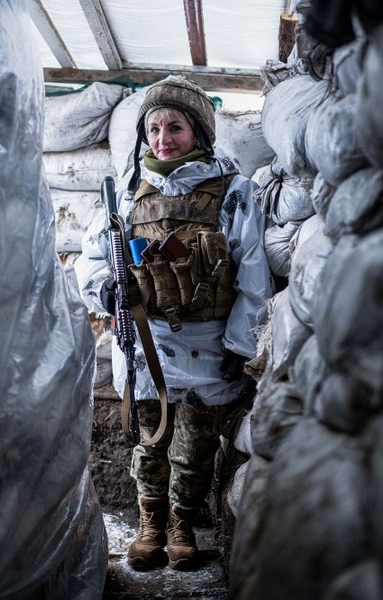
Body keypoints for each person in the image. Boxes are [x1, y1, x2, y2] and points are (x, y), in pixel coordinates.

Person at [77, 76, 273, 571]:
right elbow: (93, 256)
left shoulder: (234, 193)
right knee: (149, 447)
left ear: (200, 134)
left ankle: (182, 526)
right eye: (155, 128)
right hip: (147, 349)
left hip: (211, 351)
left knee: (195, 450)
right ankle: (150, 525)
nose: (163, 139)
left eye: (176, 128)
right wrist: (105, 287)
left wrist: (240, 346)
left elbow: (252, 275)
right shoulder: (125, 192)